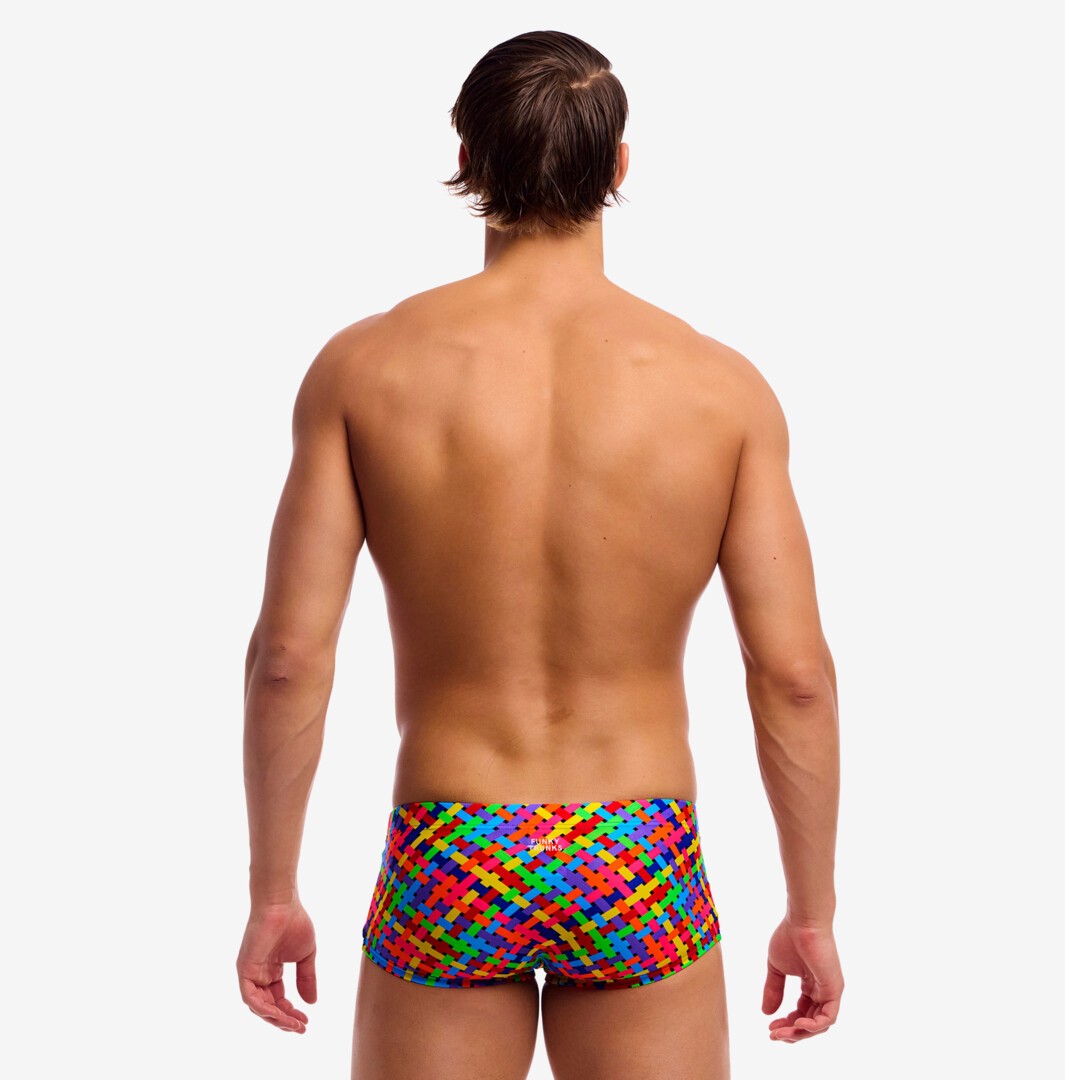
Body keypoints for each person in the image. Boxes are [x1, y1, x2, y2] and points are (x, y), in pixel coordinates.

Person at [236, 28, 842, 1080]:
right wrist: (812, 911)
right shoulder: (721, 390)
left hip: (453, 841)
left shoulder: (365, 370)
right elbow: (793, 676)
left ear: (468, 159)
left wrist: (273, 893)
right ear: (617, 165)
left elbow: (289, 658)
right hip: (635, 854)